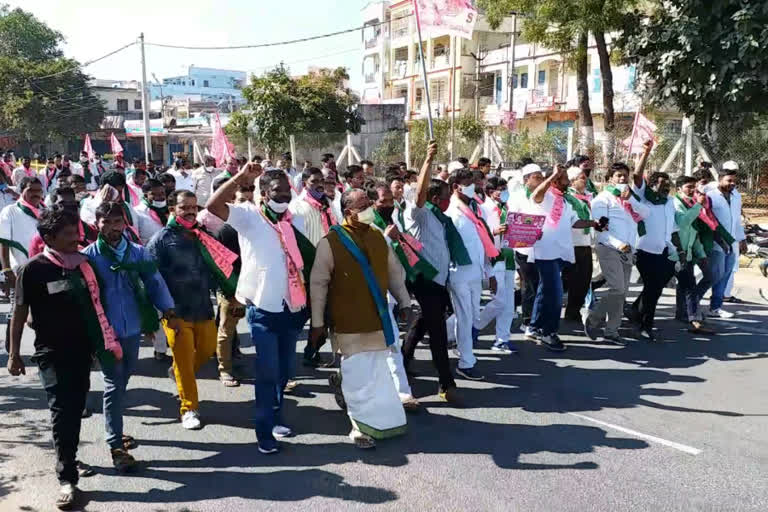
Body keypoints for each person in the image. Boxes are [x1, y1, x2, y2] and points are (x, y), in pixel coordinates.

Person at [7, 206, 122, 510]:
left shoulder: (85, 265)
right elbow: (18, 312)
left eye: (77, 233)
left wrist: (105, 344)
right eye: (69, 235)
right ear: (48, 237)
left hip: (82, 352)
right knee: (62, 410)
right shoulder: (32, 270)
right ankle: (66, 478)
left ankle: (68, 455)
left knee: (74, 407)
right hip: (51, 354)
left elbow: (100, 305)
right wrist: (14, 353)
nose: (76, 239)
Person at [207, 166, 314, 454]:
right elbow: (213, 206)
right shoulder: (249, 215)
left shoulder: (295, 220)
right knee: (267, 373)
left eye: (287, 191)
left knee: (284, 372)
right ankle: (264, 431)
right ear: (264, 194)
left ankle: (277, 418)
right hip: (263, 310)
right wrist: (240, 178)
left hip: (292, 307)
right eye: (278, 192)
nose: (284, 196)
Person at [309, 187, 411, 449]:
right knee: (358, 375)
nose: (369, 209)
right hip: (348, 323)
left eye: (369, 204)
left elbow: (394, 272)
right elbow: (318, 285)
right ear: (347, 212)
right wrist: (318, 324)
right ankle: (359, 429)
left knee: (377, 373)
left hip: (378, 319)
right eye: (362, 205)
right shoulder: (330, 243)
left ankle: (378, 419)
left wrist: (405, 302)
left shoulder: (378, 236)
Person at [83, 202, 175, 472]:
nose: (113, 228)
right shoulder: (89, 257)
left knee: (123, 379)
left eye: (118, 222)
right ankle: (115, 446)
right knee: (113, 383)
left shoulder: (137, 252)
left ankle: (116, 427)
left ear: (125, 224)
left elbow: (155, 282)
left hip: (133, 328)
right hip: (105, 333)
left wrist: (168, 309)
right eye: (107, 222)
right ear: (97, 224)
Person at [147, 190, 225, 430]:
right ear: (172, 209)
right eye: (184, 207)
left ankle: (179, 373)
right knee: (183, 362)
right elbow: (151, 277)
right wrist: (158, 312)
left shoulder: (202, 235)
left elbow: (218, 266)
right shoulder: (160, 240)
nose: (191, 211)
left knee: (207, 350)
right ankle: (189, 408)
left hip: (203, 308)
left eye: (193, 207)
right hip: (175, 313)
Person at [370, 182, 434, 410]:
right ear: (371, 203)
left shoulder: (392, 220)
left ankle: (403, 394)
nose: (388, 204)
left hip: (392, 292)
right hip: (369, 296)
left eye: (390, 200)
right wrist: (387, 239)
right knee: (366, 350)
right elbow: (368, 260)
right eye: (383, 201)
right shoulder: (365, 226)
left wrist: (404, 299)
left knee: (392, 344)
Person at [528, 166, 601, 350]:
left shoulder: (566, 201)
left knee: (545, 290)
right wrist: (553, 174)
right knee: (556, 293)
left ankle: (534, 326)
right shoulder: (545, 197)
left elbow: (574, 222)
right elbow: (536, 194)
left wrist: (593, 223)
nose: (568, 180)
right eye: (564, 178)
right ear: (554, 181)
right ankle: (549, 332)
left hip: (561, 252)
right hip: (545, 252)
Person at [585, 162, 651, 345]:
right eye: (618, 176)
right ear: (610, 179)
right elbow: (600, 229)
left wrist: (631, 199)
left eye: (625, 176)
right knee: (617, 288)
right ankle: (594, 317)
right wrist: (618, 243)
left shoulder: (629, 199)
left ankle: (611, 331)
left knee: (622, 294)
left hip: (628, 249)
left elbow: (646, 213)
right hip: (609, 248)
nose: (622, 179)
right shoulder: (602, 199)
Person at [445, 167, 500, 380]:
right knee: (466, 317)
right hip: (458, 274)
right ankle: (466, 362)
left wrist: (490, 272)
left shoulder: (472, 211)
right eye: (467, 183)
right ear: (455, 187)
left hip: (475, 274)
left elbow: (480, 244)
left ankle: (457, 344)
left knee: (469, 316)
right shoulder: (450, 214)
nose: (472, 187)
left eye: (472, 182)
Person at [200, 176, 249, 387]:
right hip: (232, 287)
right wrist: (231, 290)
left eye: (250, 200)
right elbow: (221, 265)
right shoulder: (226, 231)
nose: (247, 206)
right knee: (226, 330)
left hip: (254, 287)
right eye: (241, 202)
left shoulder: (257, 226)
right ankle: (224, 370)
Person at [627, 143, 677, 341]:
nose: (664, 185)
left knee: (656, 287)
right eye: (660, 182)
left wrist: (677, 249)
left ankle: (635, 311)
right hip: (644, 250)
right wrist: (646, 153)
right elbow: (637, 177)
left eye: (667, 182)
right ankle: (644, 325)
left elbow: (672, 229)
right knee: (653, 287)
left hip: (665, 250)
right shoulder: (643, 197)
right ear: (652, 183)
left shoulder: (670, 201)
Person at [0, 177, 44, 352]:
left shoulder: (44, 210)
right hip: (20, 269)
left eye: (39, 191)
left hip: (44, 269)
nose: (36, 194)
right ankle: (12, 351)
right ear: (21, 190)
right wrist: (6, 269)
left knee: (43, 312)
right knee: (17, 311)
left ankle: (43, 348)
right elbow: (3, 242)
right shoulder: (10, 211)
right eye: (31, 190)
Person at [477, 176, 517, 353]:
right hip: (493, 259)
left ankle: (502, 339)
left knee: (508, 303)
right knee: (499, 301)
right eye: (501, 189)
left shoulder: (508, 209)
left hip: (509, 258)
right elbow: (479, 234)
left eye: (505, 188)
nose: (504, 192)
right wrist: (494, 231)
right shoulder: (483, 209)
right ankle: (470, 327)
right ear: (491, 192)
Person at [672, 175, 715, 335]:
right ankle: (693, 317)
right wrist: (698, 205)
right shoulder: (676, 204)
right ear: (679, 189)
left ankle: (690, 316)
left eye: (693, 187)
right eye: (688, 187)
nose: (691, 190)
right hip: (673, 253)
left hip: (687, 254)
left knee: (687, 286)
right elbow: (683, 223)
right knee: (684, 286)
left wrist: (701, 253)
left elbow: (693, 233)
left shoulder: (690, 204)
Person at [507, 164, 545, 334]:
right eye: (536, 177)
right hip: (525, 248)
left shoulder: (546, 195)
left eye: (541, 177)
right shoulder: (516, 197)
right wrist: (533, 228)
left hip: (544, 247)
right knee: (530, 285)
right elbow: (515, 220)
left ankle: (538, 317)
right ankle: (528, 320)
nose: (540, 181)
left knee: (541, 285)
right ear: (525, 180)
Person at [706, 163, 746, 319]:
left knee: (725, 274)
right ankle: (693, 303)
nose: (732, 184)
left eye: (734, 181)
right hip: (716, 243)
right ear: (720, 179)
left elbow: (736, 220)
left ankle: (715, 307)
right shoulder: (711, 195)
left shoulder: (737, 196)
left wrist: (742, 239)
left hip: (732, 242)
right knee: (715, 275)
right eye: (729, 180)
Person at [561, 166, 596, 323]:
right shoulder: (568, 198)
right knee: (568, 280)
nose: (585, 179)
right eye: (582, 177)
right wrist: (593, 223)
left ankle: (573, 311)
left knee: (584, 280)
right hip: (572, 244)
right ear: (573, 181)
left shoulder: (586, 198)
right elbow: (573, 222)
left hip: (585, 243)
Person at [28, 187, 97, 258]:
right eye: (63, 204)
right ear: (52, 206)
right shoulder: (40, 239)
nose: (69, 208)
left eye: (72, 204)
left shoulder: (90, 231)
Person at [80, 172, 141, 244]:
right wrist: (103, 204)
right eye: (115, 191)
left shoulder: (126, 206)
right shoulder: (88, 206)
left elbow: (135, 228)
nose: (118, 195)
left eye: (120, 191)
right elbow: (92, 231)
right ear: (103, 189)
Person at [290, 167, 338, 246]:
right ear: (303, 184)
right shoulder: (296, 206)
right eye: (314, 181)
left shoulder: (328, 202)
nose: (320, 184)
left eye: (322, 180)